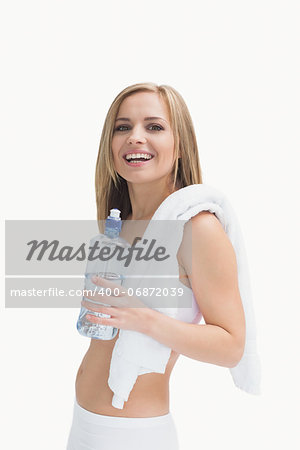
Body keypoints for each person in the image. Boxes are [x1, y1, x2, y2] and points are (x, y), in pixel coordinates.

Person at [66, 82, 246, 449]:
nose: (135, 137)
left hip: (132, 436)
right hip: (83, 425)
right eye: (122, 127)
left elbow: (231, 346)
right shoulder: (120, 225)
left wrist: (141, 316)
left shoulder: (196, 227)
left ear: (180, 145)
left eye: (154, 126)